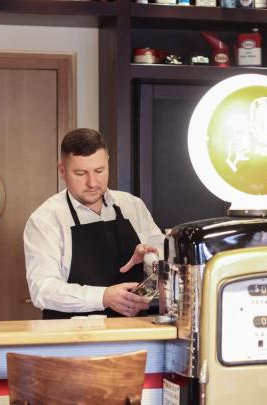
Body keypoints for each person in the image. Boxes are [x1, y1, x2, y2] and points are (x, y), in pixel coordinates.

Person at [24, 128, 164, 319]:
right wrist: (104, 297)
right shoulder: (45, 220)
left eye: (99, 171)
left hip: (132, 329)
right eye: (81, 173)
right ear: (62, 171)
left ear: (108, 163)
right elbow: (43, 289)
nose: (92, 182)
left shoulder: (133, 206)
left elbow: (165, 267)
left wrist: (150, 259)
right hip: (71, 333)